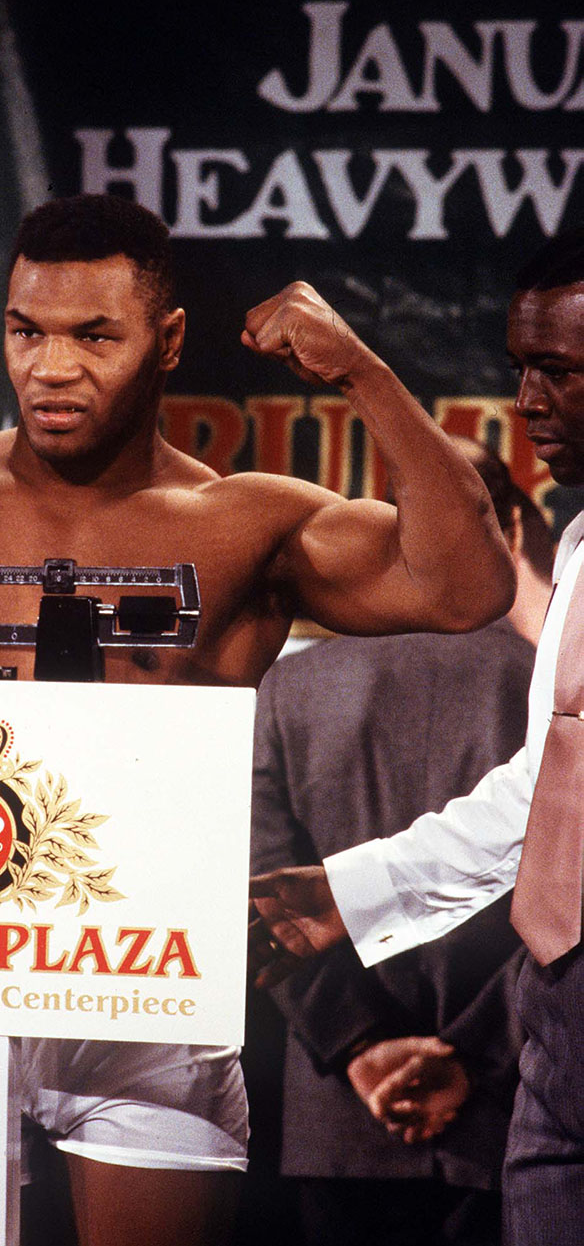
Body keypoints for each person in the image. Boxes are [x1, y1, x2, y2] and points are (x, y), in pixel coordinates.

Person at [0, 193, 516, 1246]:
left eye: (92, 335)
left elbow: (462, 585)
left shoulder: (246, 519)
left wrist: (364, 376)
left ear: (166, 342)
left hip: (145, 987)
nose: (51, 366)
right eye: (27, 330)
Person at [248, 226, 584, 1246]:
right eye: (518, 368)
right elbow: (548, 793)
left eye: (559, 371)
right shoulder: (576, 550)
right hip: (544, 1046)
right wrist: (347, 893)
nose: (527, 400)